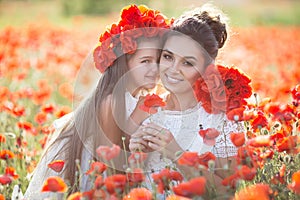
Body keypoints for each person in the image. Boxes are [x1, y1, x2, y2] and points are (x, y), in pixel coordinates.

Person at [23, 4, 171, 199]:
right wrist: (137, 116)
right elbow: (111, 162)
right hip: (95, 177)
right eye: (145, 61)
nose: (155, 68)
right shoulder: (110, 102)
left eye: (159, 61)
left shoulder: (136, 99)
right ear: (124, 65)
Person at [129, 3, 249, 197]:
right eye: (168, 57)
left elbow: (227, 192)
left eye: (187, 62)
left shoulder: (222, 118)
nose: (173, 69)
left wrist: (175, 152)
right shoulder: (146, 109)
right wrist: (136, 156)